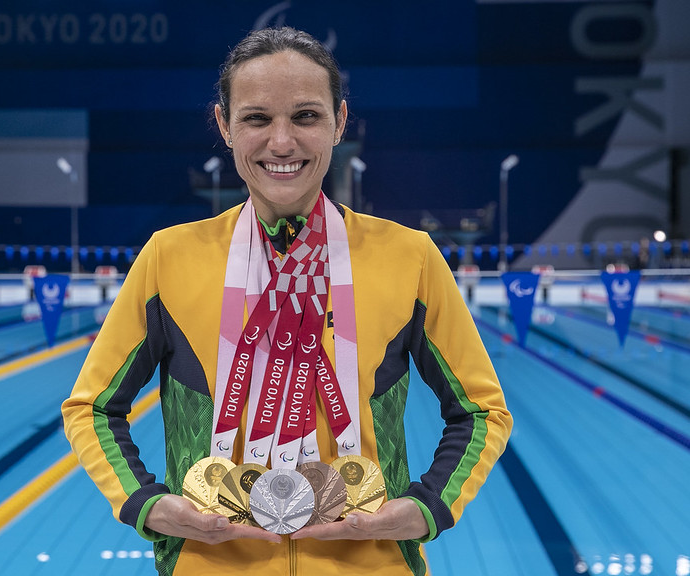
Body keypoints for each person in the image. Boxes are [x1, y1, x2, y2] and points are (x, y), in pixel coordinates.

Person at [62, 26, 512, 576]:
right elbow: (92, 407)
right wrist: (147, 504)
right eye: (256, 118)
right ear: (225, 127)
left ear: (338, 122)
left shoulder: (409, 257)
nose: (281, 142)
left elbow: (481, 411)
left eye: (305, 116)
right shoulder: (169, 258)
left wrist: (427, 508)